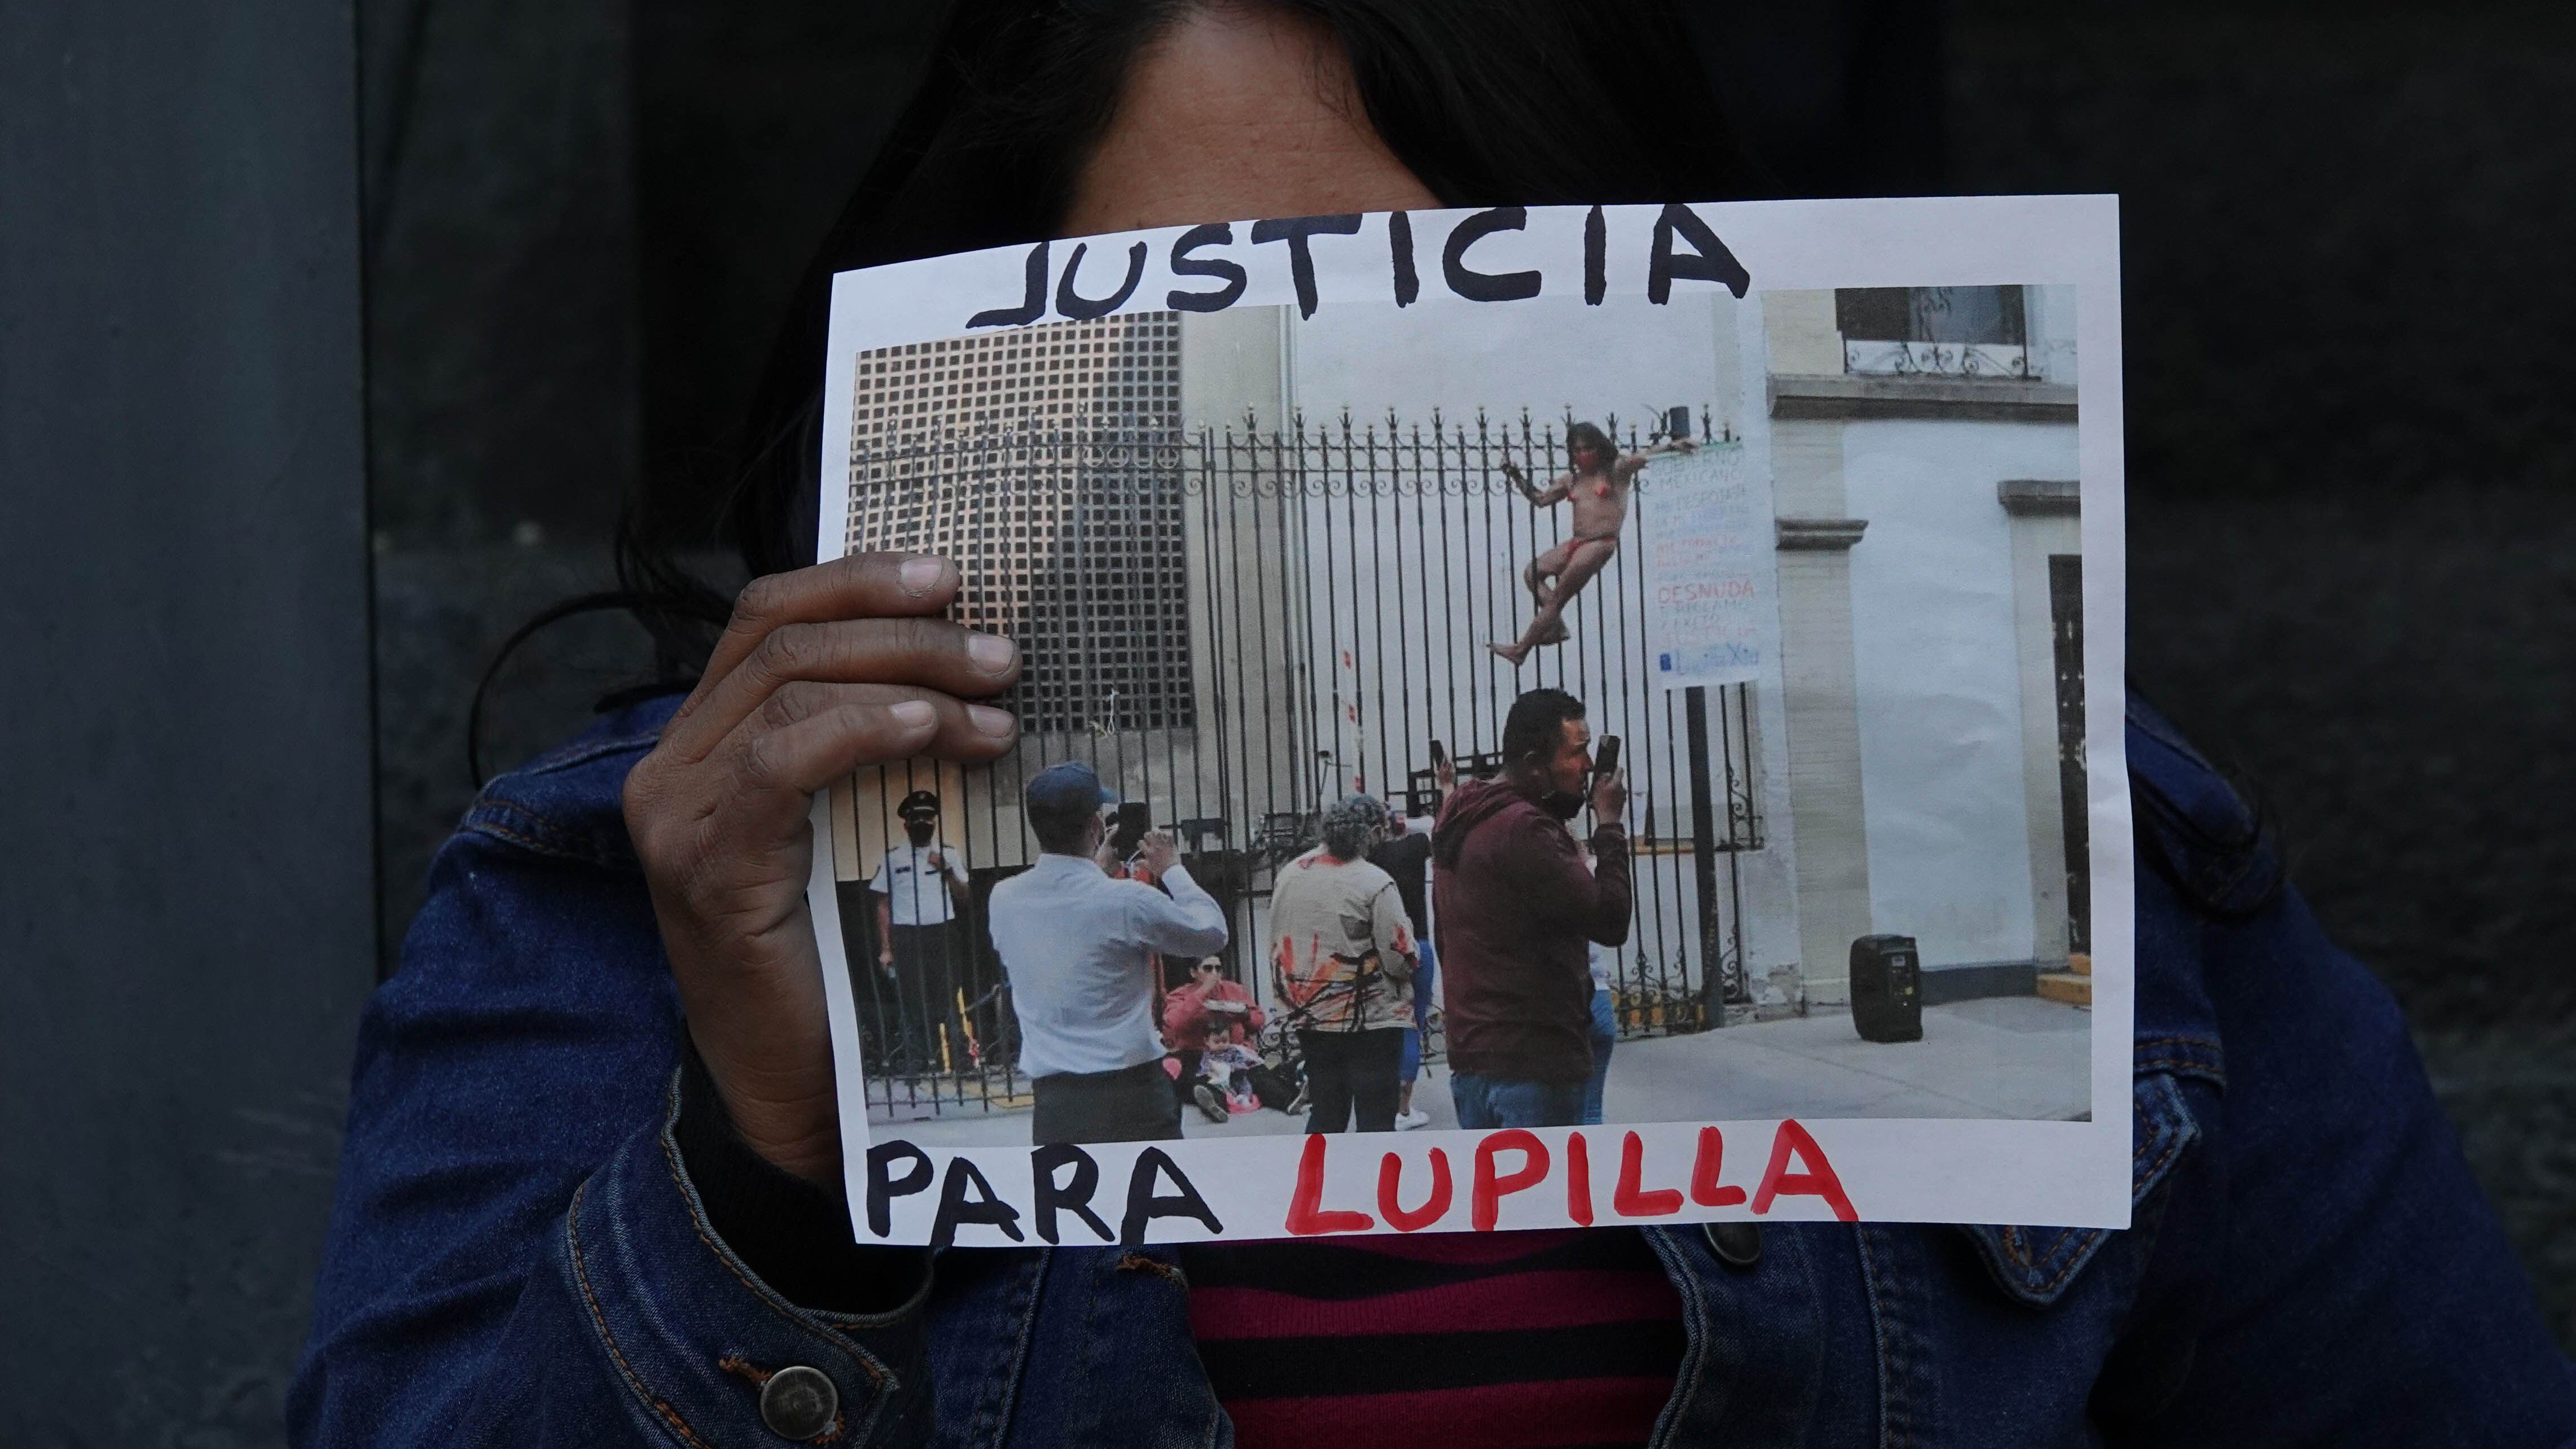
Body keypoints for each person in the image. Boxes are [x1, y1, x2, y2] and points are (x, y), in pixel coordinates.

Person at [293, 3, 2576, 1446]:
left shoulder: (2106, 877)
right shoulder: (641, 884)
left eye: (1441, 330)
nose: (1321, 416)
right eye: (1207, 346)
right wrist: (758, 1176)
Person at [985, 759, 1230, 1145]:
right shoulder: (1126, 900)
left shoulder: (1004, 898)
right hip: (1134, 1096)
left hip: (1057, 1103)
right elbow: (1211, 934)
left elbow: (1070, 921)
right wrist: (1172, 869)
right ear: (1096, 826)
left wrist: (1094, 871)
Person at [1432, 688, 1630, 1129]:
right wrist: (1610, 824)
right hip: (1532, 1059)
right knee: (1548, 1176)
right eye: (1576, 753)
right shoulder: (1525, 828)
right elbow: (1610, 920)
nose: (1588, 767)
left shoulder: (1461, 815)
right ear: (1534, 763)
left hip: (1474, 1053)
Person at [1269, 794, 1418, 1133]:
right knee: (1376, 1116)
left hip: (1311, 1013)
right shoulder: (1375, 881)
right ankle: (1370, 1171)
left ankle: (1320, 1169)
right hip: (1371, 1018)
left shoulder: (1290, 874)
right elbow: (1399, 959)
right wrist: (1414, 956)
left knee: (1327, 1111)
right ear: (1373, 832)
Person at [1488, 423, 1695, 666]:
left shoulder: (1616, 470)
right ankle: (1556, 627)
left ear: (1599, 448)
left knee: (1558, 598)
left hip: (1600, 543)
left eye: (1587, 449)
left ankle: (1521, 649)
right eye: (1576, 451)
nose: (1582, 455)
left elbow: (1643, 457)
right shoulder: (1573, 480)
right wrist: (1516, 476)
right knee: (1532, 573)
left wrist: (1672, 447)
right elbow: (1541, 499)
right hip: (1577, 542)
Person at [866, 788, 971, 1072]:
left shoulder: (948, 854)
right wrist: (886, 948)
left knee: (949, 996)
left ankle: (960, 1059)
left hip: (942, 933)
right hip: (907, 935)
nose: (923, 823)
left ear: (935, 822)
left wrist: (947, 871)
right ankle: (918, 1062)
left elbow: (965, 896)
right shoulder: (893, 858)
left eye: (928, 817)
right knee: (911, 999)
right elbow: (883, 904)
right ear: (906, 825)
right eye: (917, 818)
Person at [1370, 765, 1446, 1130]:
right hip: (1416, 945)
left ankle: (1378, 1101)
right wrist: (1405, 824)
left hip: (1376, 951)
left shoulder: (1363, 864)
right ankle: (1403, 1108)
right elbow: (1438, 827)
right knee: (1411, 1023)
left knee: (1379, 1026)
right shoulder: (1411, 850)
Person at [1162, 955, 1265, 1123]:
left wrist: (1245, 1014)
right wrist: (1203, 992)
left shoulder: (1235, 990)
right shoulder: (1180, 995)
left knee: (1261, 1078)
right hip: (1199, 1056)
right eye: (1208, 969)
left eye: (1218, 969)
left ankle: (1291, 1099)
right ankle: (1216, 1104)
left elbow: (1258, 1021)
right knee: (1201, 1082)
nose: (1214, 973)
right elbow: (1174, 1023)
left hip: (1234, 1053)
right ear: (1194, 972)